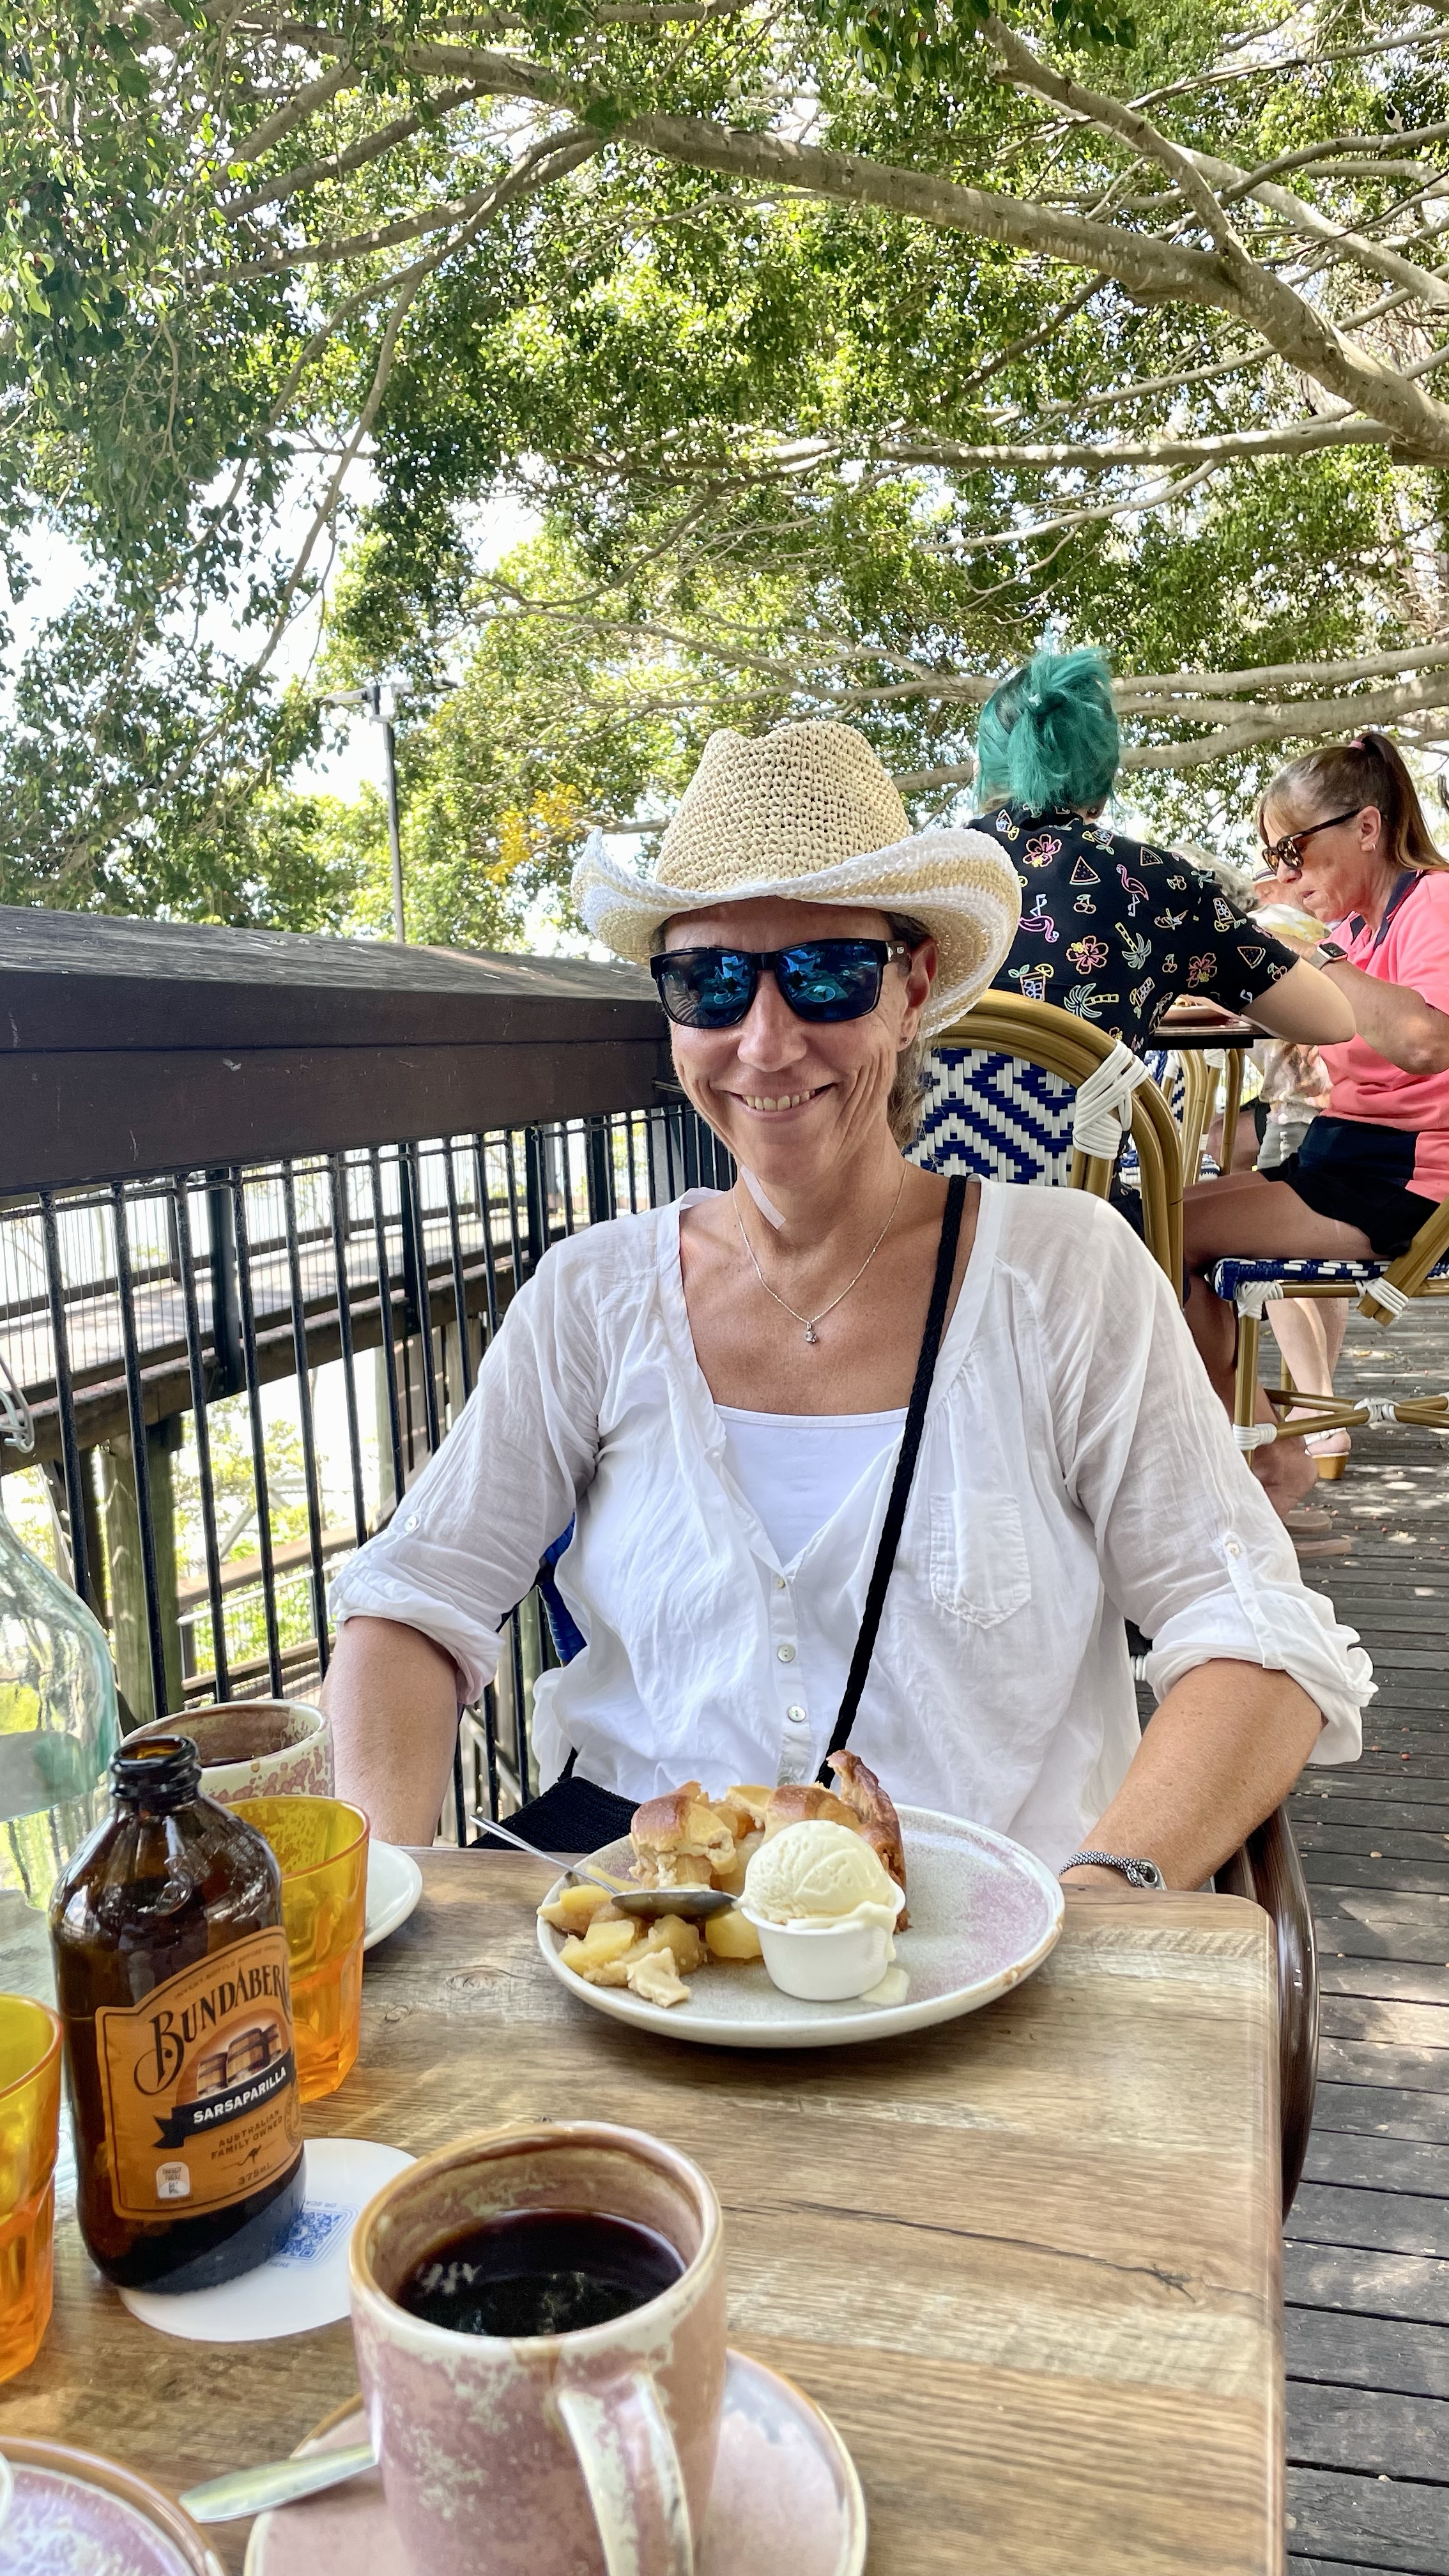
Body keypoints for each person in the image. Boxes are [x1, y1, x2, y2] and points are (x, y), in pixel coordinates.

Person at [323, 720, 1367, 1889]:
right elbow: (412, 1601)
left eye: (826, 974)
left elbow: (1253, 1635)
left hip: (991, 1936)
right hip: (644, 1937)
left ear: (911, 990)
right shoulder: (593, 1296)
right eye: (709, 982)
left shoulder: (1065, 1275)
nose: (766, 1044)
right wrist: (380, 1897)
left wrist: (1099, 1902)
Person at [1184, 730, 1449, 1492]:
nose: (1284, 874)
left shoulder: (1433, 901)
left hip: (1406, 1178)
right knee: (1143, 1223)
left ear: (1366, 828)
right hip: (1346, 1160)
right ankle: (1259, 1439)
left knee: (1151, 1235)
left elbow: (1427, 1040)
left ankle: (1271, 1459)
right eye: (1274, 858)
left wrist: (1311, 956)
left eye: (1293, 851)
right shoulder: (1359, 928)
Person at [974, 648, 1353, 1057]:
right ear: (1101, 785)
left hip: (931, 1101)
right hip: (1086, 1103)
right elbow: (1334, 1020)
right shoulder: (1161, 885)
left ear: (985, 771)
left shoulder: (930, 870)